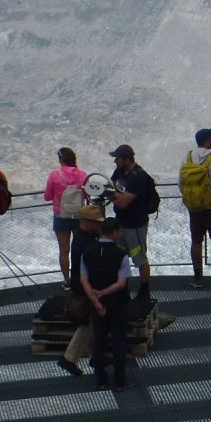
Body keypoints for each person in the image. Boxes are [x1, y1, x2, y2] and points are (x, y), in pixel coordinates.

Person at [81, 217, 134, 391]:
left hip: (98, 305)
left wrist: (96, 300)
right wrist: (103, 292)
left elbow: (84, 279)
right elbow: (121, 283)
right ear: (114, 233)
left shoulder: (88, 252)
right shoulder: (121, 255)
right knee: (119, 340)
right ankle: (120, 380)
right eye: (118, 232)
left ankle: (100, 379)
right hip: (118, 303)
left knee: (99, 340)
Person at [56, 204, 106, 376]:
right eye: (97, 223)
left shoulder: (79, 239)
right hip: (87, 288)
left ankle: (88, 356)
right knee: (89, 323)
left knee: (90, 323)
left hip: (81, 286)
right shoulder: (88, 243)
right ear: (88, 222)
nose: (100, 226)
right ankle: (71, 358)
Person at [180, 127, 211, 288]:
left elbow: (181, 183)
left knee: (196, 242)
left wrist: (191, 199)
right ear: (207, 140)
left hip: (194, 208)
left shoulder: (187, 159)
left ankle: (197, 277)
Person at [107, 143, 156, 300]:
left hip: (135, 225)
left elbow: (122, 202)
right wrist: (111, 193)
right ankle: (121, 287)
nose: (115, 161)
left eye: (117, 158)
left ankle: (144, 291)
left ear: (127, 159)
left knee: (140, 258)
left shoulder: (139, 178)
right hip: (120, 223)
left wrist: (108, 194)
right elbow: (113, 187)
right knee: (119, 256)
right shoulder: (119, 172)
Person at [44, 146, 89, 284]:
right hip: (79, 215)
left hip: (61, 216)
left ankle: (67, 280)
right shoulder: (82, 175)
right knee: (80, 248)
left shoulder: (54, 175)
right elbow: (87, 194)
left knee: (64, 251)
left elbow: (47, 197)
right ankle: (81, 279)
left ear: (61, 160)